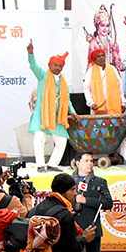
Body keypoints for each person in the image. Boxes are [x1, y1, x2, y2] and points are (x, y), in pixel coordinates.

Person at [27, 40, 81, 172]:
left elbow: (67, 99)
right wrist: (30, 54)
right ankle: (40, 165)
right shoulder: (43, 75)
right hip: (42, 114)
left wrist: (73, 111)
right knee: (40, 138)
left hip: (57, 116)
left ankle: (52, 164)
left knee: (62, 140)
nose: (58, 67)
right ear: (50, 65)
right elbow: (34, 66)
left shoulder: (63, 81)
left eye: (60, 65)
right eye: (55, 65)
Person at [70, 151, 113, 252]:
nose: (90, 163)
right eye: (86, 160)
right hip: (72, 230)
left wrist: (87, 201)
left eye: (92, 160)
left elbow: (109, 203)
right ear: (77, 163)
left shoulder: (99, 182)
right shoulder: (69, 181)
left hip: (93, 229)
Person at [85, 4, 122, 71]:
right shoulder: (94, 43)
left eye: (107, 26)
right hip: (98, 74)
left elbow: (119, 62)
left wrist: (116, 57)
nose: (105, 29)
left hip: (111, 73)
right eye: (102, 25)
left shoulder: (112, 41)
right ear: (97, 26)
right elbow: (90, 62)